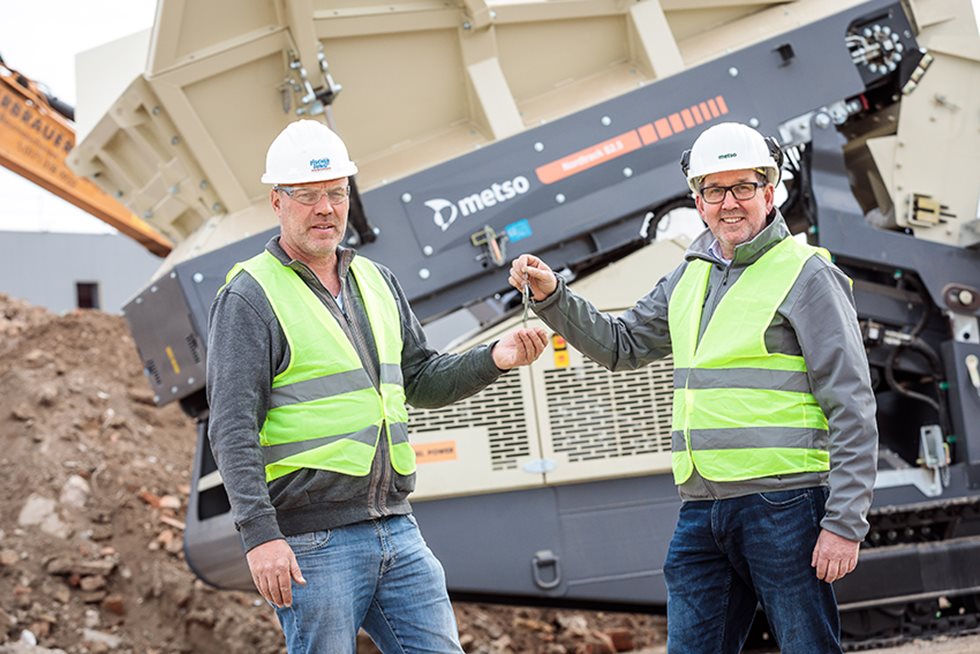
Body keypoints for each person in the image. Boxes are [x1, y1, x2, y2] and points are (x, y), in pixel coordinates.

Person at [509, 122, 878, 653]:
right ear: (696, 200)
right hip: (702, 508)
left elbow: (852, 405)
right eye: (713, 189)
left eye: (743, 188)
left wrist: (844, 522)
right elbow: (622, 344)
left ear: (769, 191)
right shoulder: (690, 274)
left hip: (784, 505)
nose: (729, 203)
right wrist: (552, 296)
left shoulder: (806, 273)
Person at [207, 119, 548, 654]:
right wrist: (260, 535)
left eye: (337, 193)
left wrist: (495, 358)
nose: (326, 208)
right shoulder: (250, 296)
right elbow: (231, 429)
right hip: (311, 541)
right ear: (277, 202)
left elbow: (421, 381)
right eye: (309, 196)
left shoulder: (376, 280)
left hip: (396, 526)